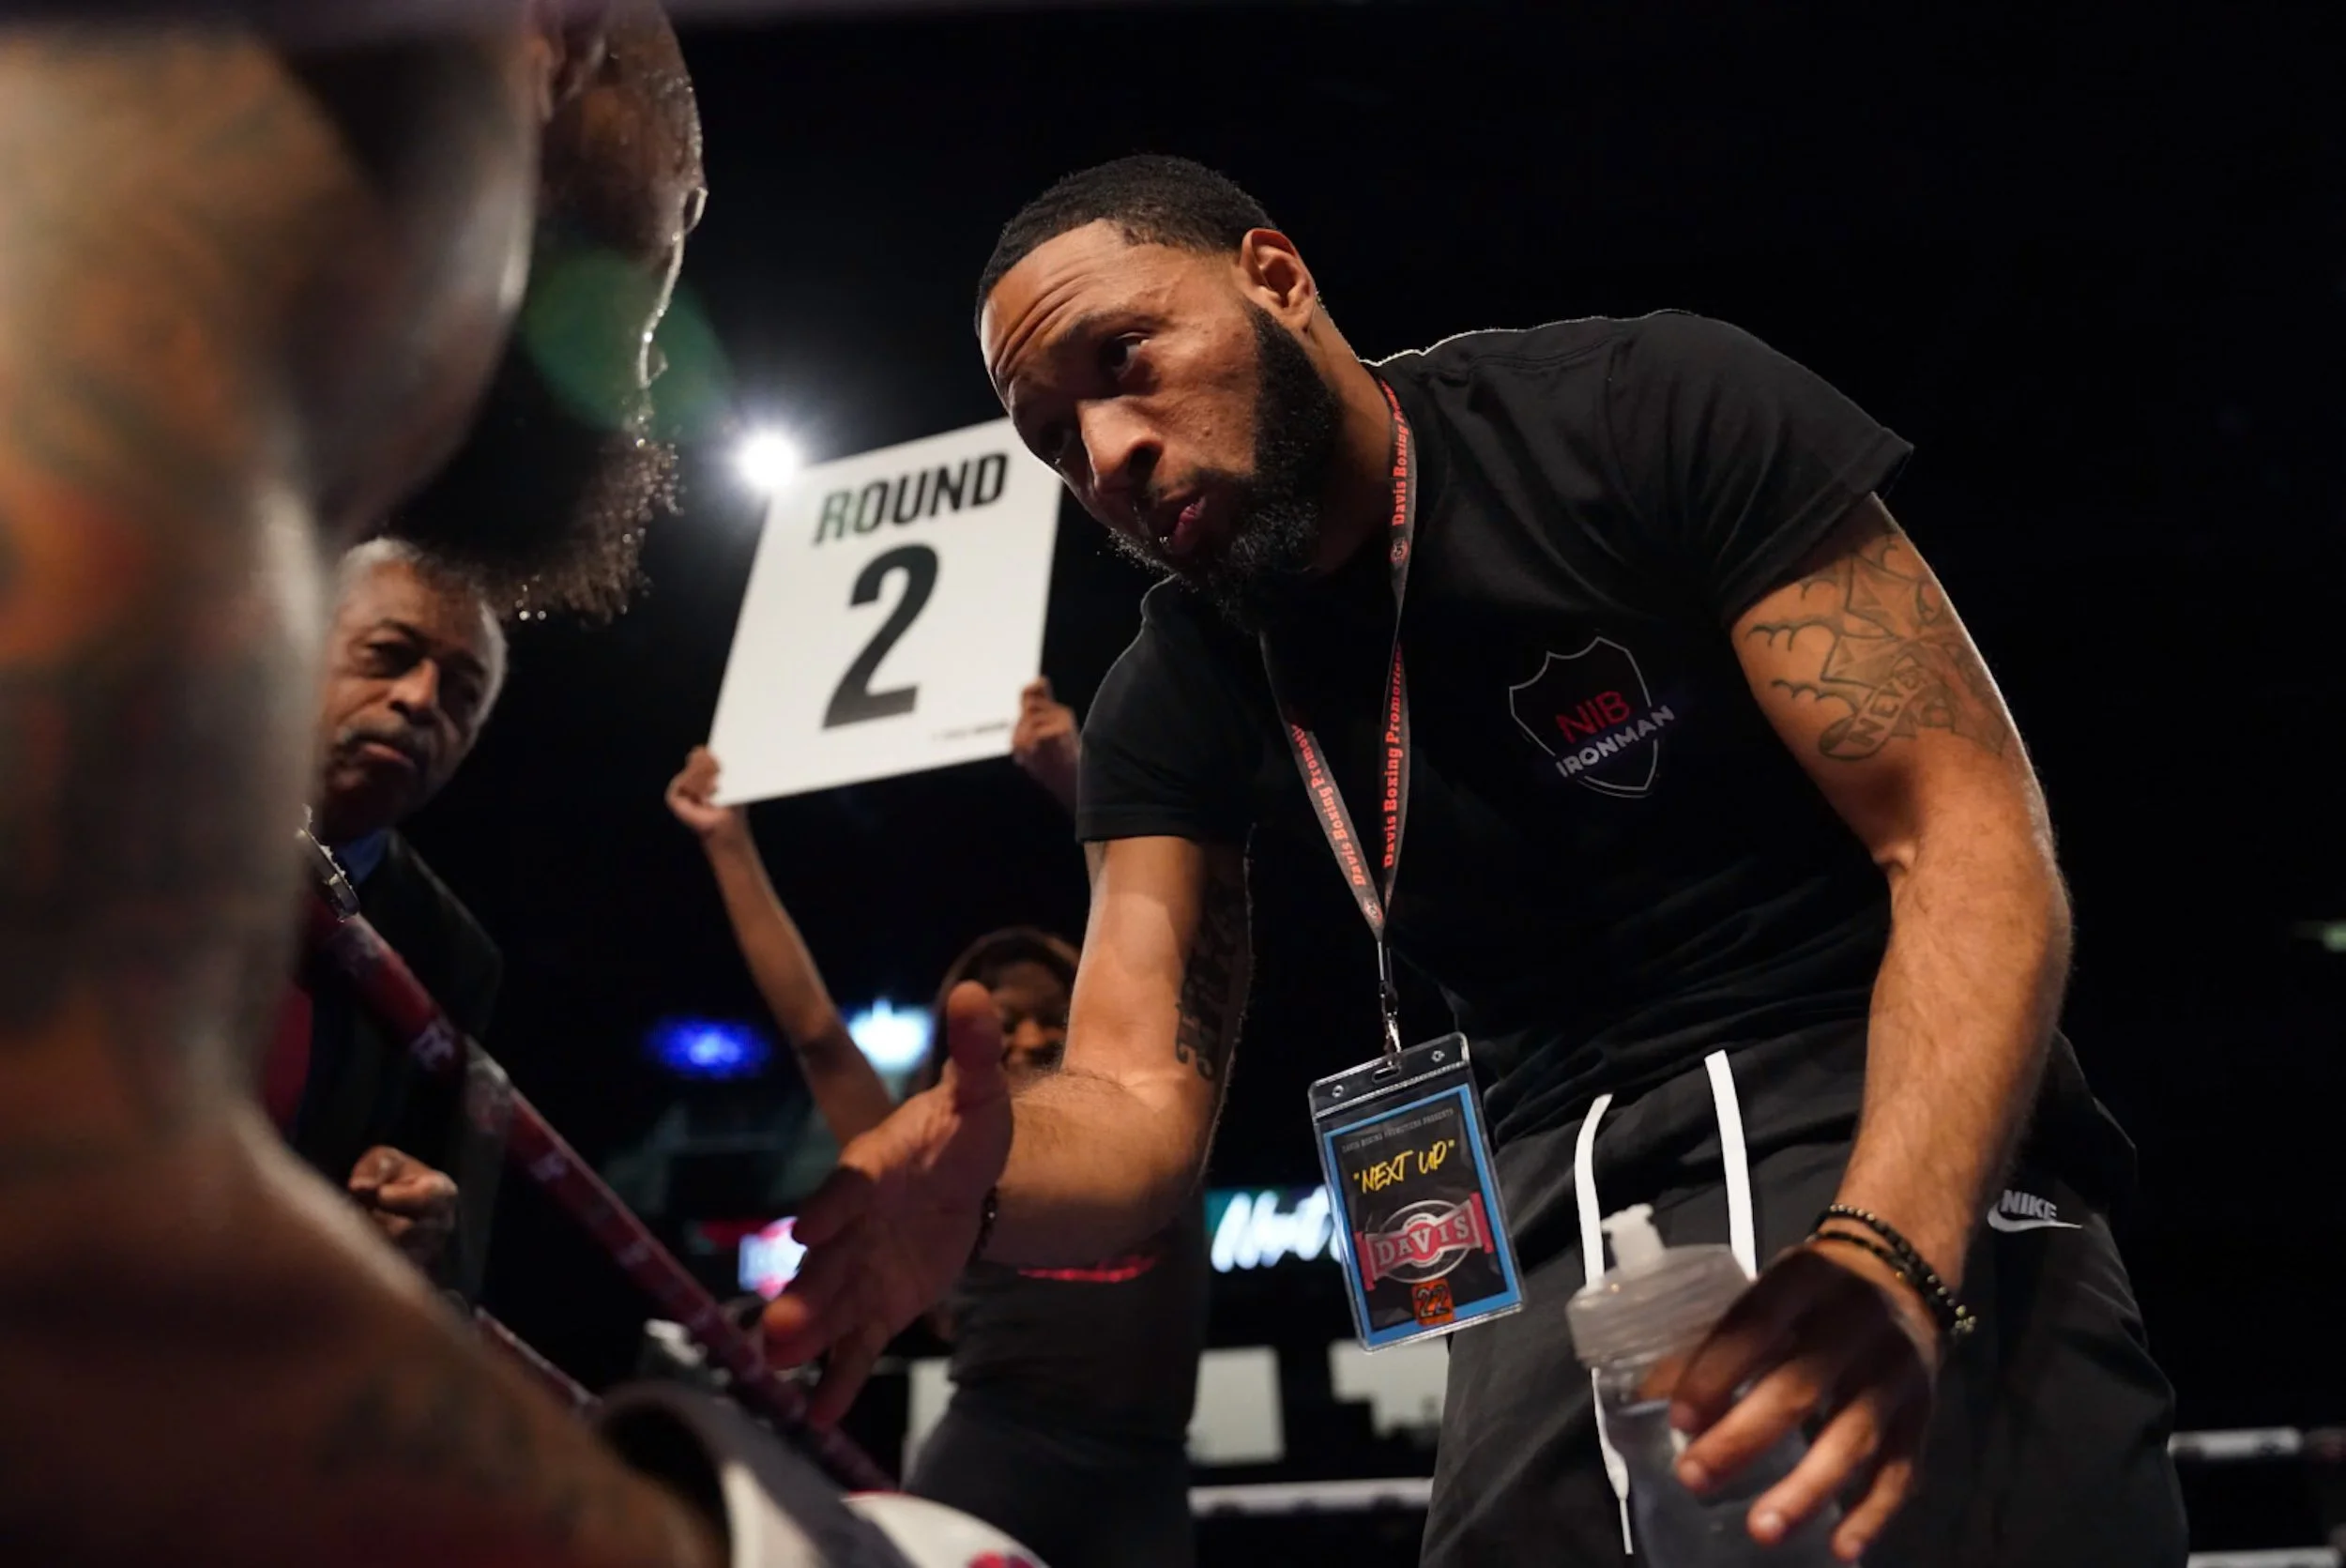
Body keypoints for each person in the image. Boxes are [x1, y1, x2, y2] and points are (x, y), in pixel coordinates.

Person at [766, 154, 2189, 1566]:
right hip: (1541, 1195)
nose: (1107, 454)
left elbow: (1963, 831)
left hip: (1856, 1094)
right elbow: (1136, 1097)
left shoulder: (1640, 410)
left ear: (1276, 277)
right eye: (1054, 440)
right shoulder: (1176, 688)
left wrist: (1893, 1244)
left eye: (1123, 357)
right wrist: (989, 1175)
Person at [0, 7, 731, 1563]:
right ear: (556, 40)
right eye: (676, 223)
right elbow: (72, 1280)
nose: (651, 344)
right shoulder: (105, 342)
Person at [666, 710, 1207, 1568]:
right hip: (996, 1450)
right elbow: (817, 1035)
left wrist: (1076, 779)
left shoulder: (1162, 1107)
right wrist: (727, 843)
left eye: (1052, 1017)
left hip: (1147, 1478)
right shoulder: (935, 1153)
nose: (1029, 1037)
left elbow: (1166, 933)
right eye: (1005, 1022)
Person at [269, 538, 514, 1299]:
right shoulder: (127, 798)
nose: (419, 699)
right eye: (388, 655)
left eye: (462, 695)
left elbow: (430, 1189)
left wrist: (419, 1221)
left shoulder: (453, 954)